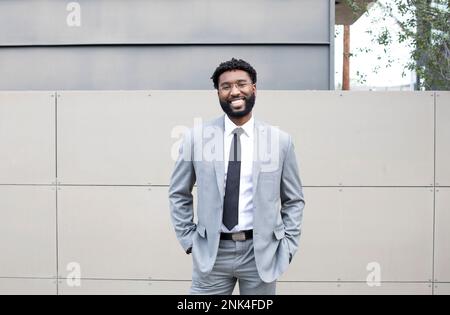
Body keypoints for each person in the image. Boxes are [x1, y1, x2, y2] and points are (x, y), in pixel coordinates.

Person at [169, 58, 305, 295]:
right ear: (218, 92)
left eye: (241, 84)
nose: (234, 91)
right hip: (212, 254)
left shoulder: (279, 141)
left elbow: (294, 200)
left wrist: (288, 246)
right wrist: (190, 241)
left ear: (254, 88)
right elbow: (179, 193)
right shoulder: (196, 139)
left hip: (261, 254)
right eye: (226, 86)